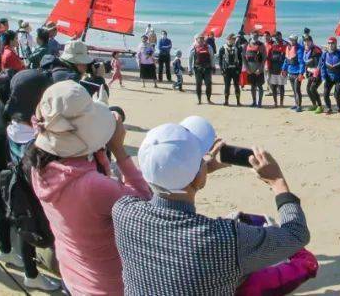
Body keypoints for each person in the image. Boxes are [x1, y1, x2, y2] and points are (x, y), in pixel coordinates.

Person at [113, 122, 311, 296]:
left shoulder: (123, 212)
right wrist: (277, 182)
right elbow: (296, 234)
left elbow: (160, 186)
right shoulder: (224, 238)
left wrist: (199, 170)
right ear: (197, 176)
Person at [27, 80, 151, 294]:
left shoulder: (40, 167)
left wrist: (97, 147)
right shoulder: (93, 187)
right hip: (108, 284)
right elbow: (144, 203)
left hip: (73, 271)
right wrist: (118, 149)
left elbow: (79, 164)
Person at [0, 69, 61, 291]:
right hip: (1, 179)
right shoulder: (21, 127)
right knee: (23, 223)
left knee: (2, 215)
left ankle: (4, 251)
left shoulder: (1, 108)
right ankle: (31, 275)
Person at [319, 36, 340, 115]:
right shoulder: (324, 54)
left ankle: (339, 108)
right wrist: (323, 78)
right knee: (325, 94)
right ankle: (329, 108)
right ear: (327, 44)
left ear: (335, 44)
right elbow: (323, 67)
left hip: (338, 78)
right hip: (328, 77)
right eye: (329, 43)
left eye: (332, 43)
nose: (331, 45)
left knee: (337, 95)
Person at [189, 33, 215, 105]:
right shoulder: (194, 47)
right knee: (198, 85)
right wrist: (190, 69)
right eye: (199, 38)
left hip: (207, 69)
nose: (201, 40)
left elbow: (212, 57)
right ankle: (199, 100)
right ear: (196, 39)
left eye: (202, 38)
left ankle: (208, 99)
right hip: (198, 69)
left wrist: (213, 67)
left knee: (208, 84)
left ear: (204, 39)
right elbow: (190, 59)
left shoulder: (209, 47)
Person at [243, 32, 267, 107]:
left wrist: (260, 69)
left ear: (258, 36)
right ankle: (254, 102)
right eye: (253, 35)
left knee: (259, 86)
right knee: (252, 86)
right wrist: (247, 69)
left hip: (258, 69)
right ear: (250, 35)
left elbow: (264, 58)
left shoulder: (261, 45)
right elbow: (243, 58)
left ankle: (259, 103)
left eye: (256, 35)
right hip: (250, 69)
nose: (254, 36)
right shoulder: (246, 45)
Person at [266, 32, 288, 108]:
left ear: (281, 36)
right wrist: (268, 67)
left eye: (278, 36)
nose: (276, 38)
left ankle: (281, 103)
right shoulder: (272, 45)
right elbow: (268, 57)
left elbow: (288, 57)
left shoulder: (286, 44)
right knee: (273, 86)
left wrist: (285, 69)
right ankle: (275, 103)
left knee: (281, 86)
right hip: (273, 68)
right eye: (275, 37)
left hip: (282, 69)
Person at [284, 34, 305, 112]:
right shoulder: (288, 48)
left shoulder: (299, 49)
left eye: (293, 40)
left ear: (296, 40)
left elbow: (302, 63)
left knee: (297, 89)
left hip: (297, 73)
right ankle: (296, 104)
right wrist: (284, 69)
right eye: (291, 39)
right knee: (293, 90)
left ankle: (299, 106)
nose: (292, 41)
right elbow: (286, 60)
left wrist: (301, 73)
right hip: (290, 72)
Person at [303, 36, 324, 112]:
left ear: (311, 41)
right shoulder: (305, 50)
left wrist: (315, 73)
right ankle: (314, 105)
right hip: (310, 73)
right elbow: (306, 63)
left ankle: (320, 106)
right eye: (305, 41)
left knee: (313, 89)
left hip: (318, 74)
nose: (306, 43)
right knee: (308, 89)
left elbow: (319, 64)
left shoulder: (316, 50)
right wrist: (306, 71)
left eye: (308, 41)